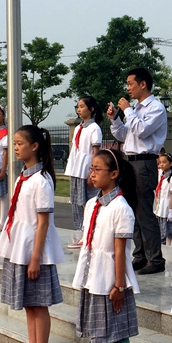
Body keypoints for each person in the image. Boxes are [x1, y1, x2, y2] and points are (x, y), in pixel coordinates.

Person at [75, 148, 140, 343]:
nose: (92, 174)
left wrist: (119, 286)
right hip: (95, 278)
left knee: (118, 335)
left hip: (112, 281)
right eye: (91, 169)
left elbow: (119, 251)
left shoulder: (121, 207)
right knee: (106, 336)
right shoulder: (93, 204)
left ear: (114, 174)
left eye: (97, 169)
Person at [0, 125, 65, 343]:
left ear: (34, 146)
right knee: (29, 304)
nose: (15, 148)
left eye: (19, 143)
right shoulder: (22, 177)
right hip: (20, 248)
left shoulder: (41, 180)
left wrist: (35, 258)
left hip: (35, 251)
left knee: (39, 304)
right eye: (14, 143)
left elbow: (43, 223)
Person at [108, 67, 168, 275]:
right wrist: (115, 119)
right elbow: (124, 135)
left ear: (143, 84)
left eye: (130, 83)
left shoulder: (156, 108)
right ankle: (140, 255)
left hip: (144, 163)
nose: (128, 88)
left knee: (144, 211)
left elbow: (142, 130)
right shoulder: (135, 109)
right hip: (130, 161)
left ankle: (155, 258)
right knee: (132, 210)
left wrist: (127, 110)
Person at [65, 96, 103, 249]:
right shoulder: (79, 128)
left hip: (85, 168)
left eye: (82, 106)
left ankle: (89, 232)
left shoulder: (94, 128)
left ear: (91, 109)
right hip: (76, 168)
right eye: (78, 107)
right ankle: (81, 230)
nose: (79, 110)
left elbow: (96, 152)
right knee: (76, 201)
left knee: (86, 203)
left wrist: (92, 172)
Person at [155, 151, 172, 246]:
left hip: (169, 206)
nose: (161, 164)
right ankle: (168, 248)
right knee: (165, 231)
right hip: (162, 207)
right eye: (160, 162)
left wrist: (171, 211)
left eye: (164, 162)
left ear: (171, 163)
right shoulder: (161, 177)